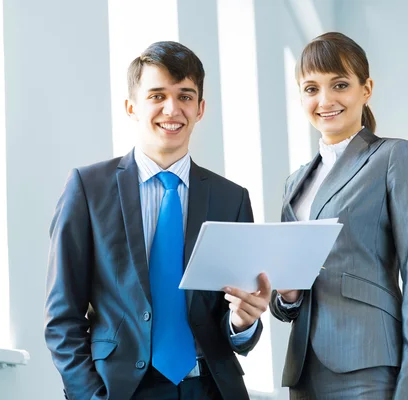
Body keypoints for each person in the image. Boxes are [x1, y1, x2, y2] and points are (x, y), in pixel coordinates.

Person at [44, 41, 271, 400]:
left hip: (210, 387)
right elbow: (62, 317)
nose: (172, 108)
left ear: (200, 109)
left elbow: (233, 321)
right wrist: (89, 396)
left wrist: (243, 321)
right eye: (157, 95)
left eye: (185, 96)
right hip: (121, 389)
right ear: (131, 107)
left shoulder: (232, 199)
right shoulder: (88, 189)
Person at [270, 32, 408, 399]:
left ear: (366, 89)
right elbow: (286, 302)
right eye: (311, 88)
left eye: (340, 85)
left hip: (369, 366)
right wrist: (287, 297)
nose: (325, 100)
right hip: (304, 372)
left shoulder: (395, 157)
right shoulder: (295, 183)